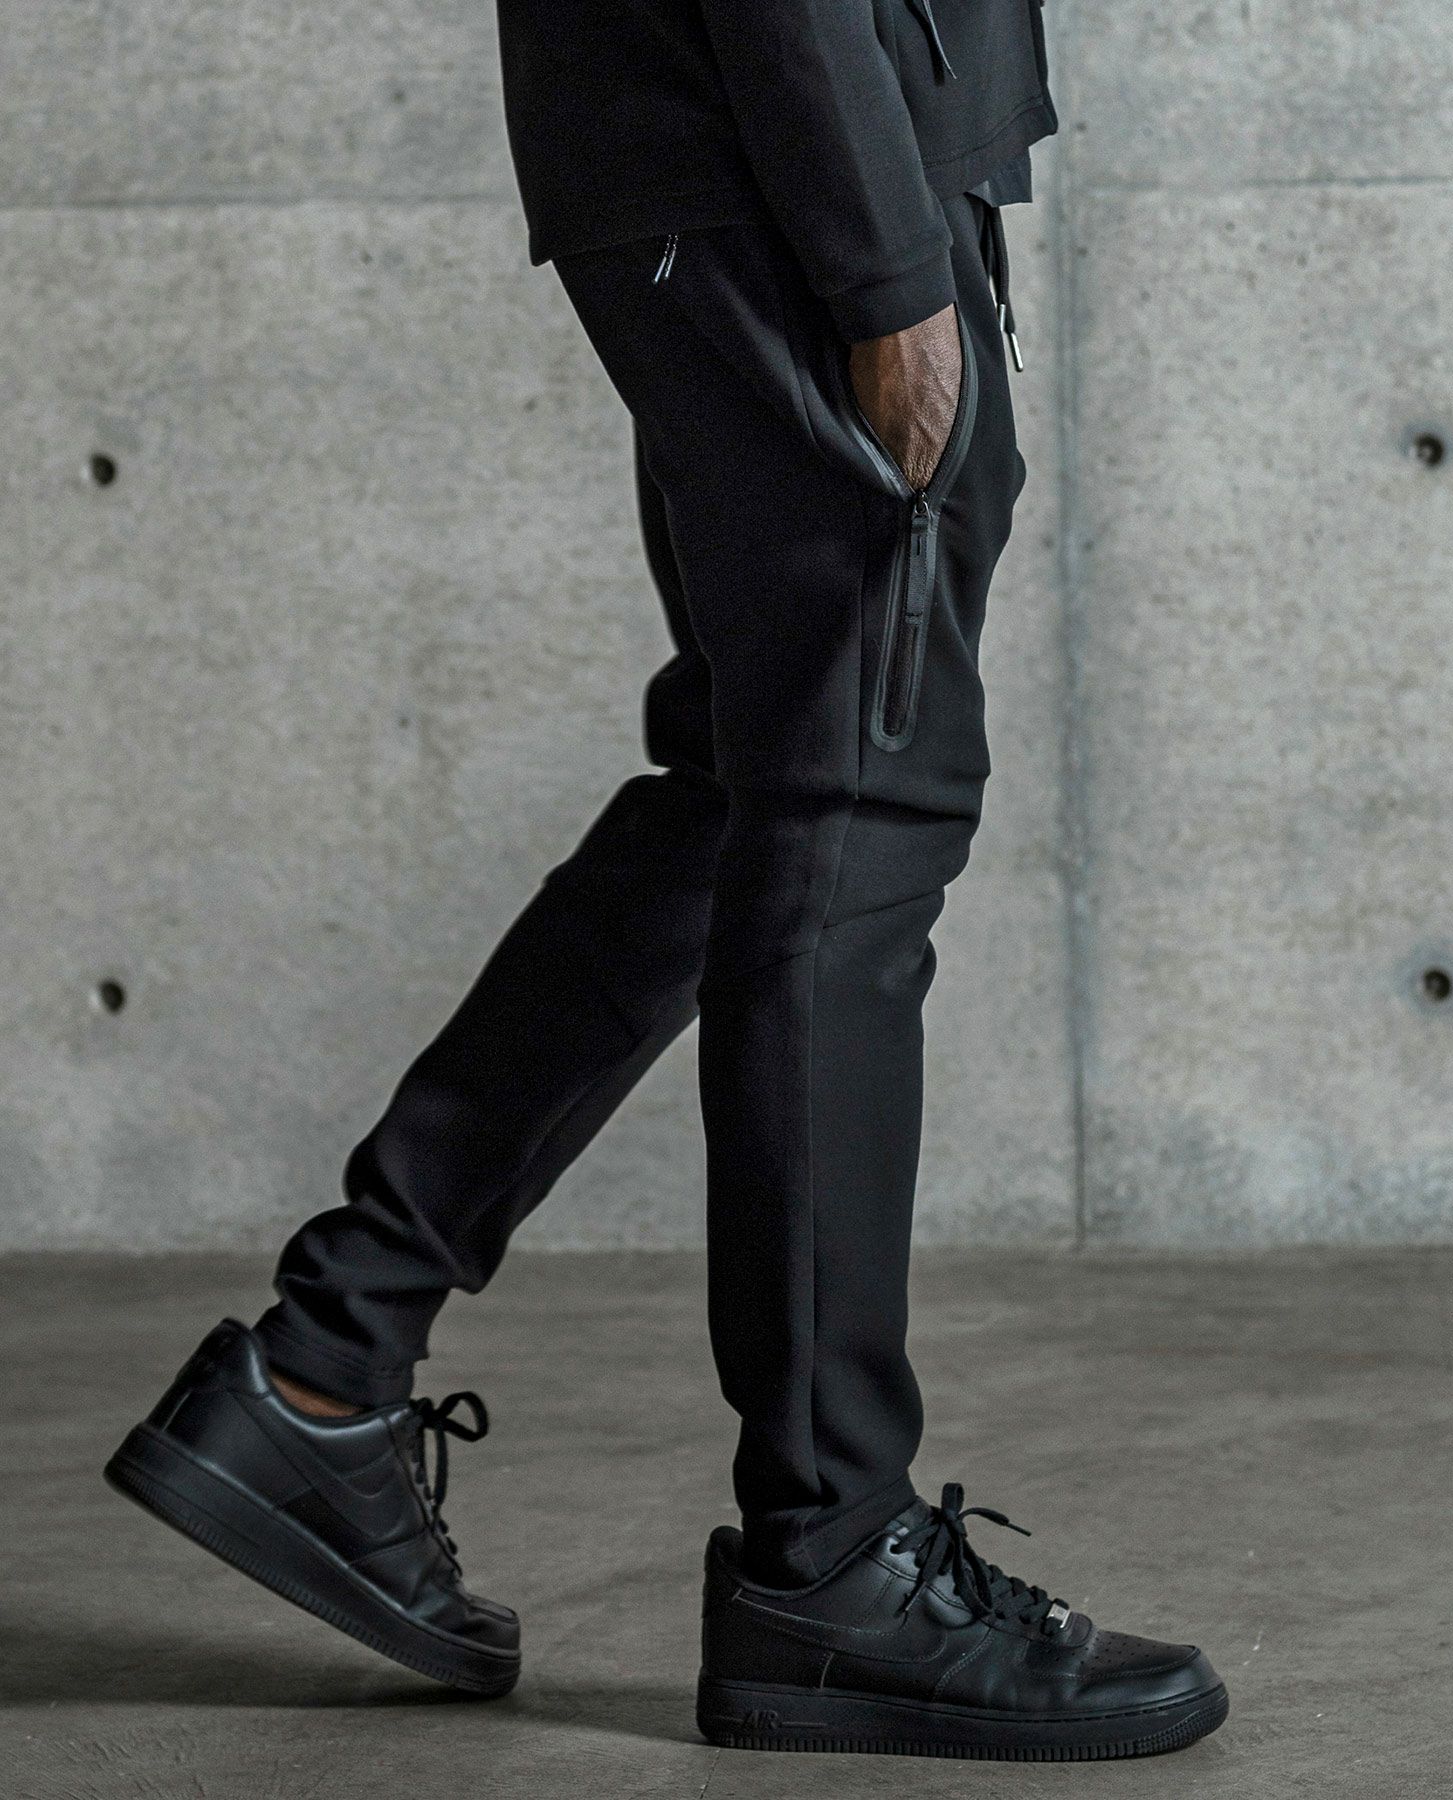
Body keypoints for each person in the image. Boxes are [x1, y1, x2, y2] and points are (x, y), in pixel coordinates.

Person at [105, 0, 1229, 1760]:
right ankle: (831, 1560)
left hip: (757, 166)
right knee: (854, 812)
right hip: (802, 170)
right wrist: (884, 269)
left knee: (753, 785)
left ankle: (328, 1366)